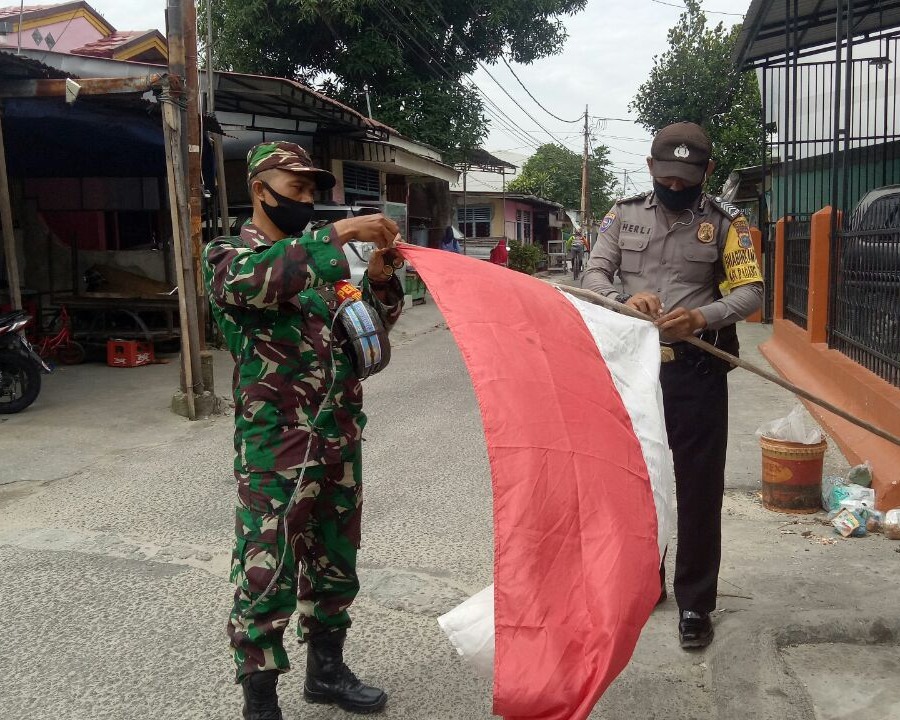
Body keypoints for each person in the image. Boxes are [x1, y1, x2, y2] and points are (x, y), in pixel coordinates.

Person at [202, 141, 405, 718]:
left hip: (338, 437)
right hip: (278, 449)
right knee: (266, 569)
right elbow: (257, 285)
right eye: (298, 189)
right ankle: (260, 698)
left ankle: (327, 671)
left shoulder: (321, 266)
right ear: (259, 190)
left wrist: (381, 282)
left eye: (315, 191)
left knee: (335, 561)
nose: (308, 199)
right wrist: (338, 233)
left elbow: (366, 330)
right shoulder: (229, 257)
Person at [582, 122, 763, 650]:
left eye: (687, 179)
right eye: (667, 178)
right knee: (637, 483)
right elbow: (594, 272)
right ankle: (645, 582)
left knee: (698, 490)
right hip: (632, 371)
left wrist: (701, 318)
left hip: (696, 373)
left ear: (707, 172)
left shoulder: (729, 224)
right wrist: (622, 299)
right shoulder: (623, 215)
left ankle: (695, 603)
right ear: (650, 169)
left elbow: (750, 291)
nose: (676, 188)